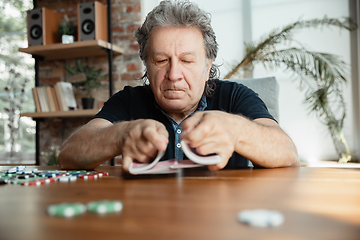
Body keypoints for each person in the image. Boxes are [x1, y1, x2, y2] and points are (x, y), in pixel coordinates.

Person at [58, 0, 299, 171]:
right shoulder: (129, 101)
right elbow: (68, 155)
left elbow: (287, 153)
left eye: (187, 60)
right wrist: (119, 135)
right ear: (147, 67)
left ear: (207, 67)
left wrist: (237, 131)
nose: (173, 75)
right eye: (161, 61)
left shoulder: (235, 97)